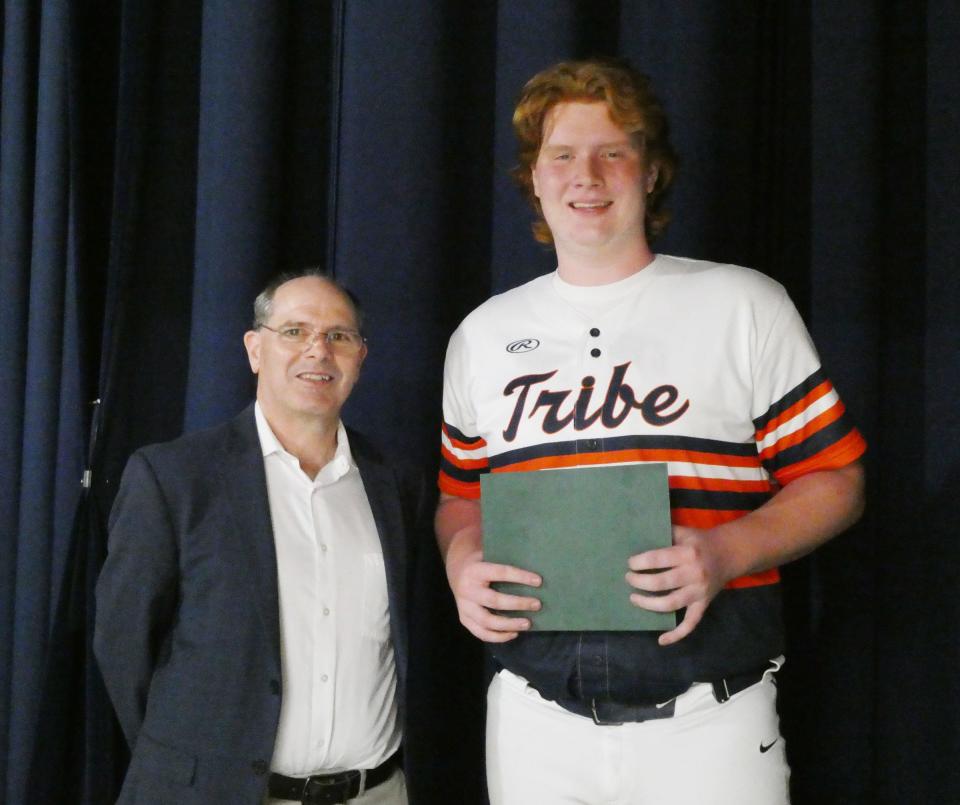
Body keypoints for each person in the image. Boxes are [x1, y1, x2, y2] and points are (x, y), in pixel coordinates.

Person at [436, 59, 866, 805]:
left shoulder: (742, 304)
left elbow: (837, 480)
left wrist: (727, 551)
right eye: (561, 155)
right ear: (533, 181)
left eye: (613, 151)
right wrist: (461, 559)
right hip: (536, 722)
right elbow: (459, 496)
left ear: (652, 171)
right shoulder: (484, 334)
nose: (587, 175)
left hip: (711, 718)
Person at [95, 269, 426, 804]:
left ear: (360, 357)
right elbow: (123, 643)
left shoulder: (398, 485)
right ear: (255, 349)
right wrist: (191, 762)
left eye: (338, 335)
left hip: (378, 794)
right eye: (294, 331)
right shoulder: (174, 478)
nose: (318, 350)